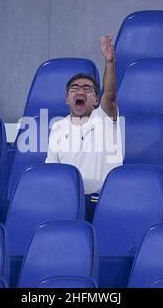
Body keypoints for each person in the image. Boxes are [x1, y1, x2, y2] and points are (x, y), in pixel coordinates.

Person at [45, 35, 123, 221]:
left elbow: (110, 94)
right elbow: (52, 172)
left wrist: (109, 62)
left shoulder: (104, 117)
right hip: (68, 201)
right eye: (74, 88)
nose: (80, 91)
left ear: (96, 99)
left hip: (104, 201)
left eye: (87, 89)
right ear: (67, 99)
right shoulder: (58, 127)